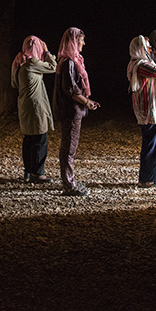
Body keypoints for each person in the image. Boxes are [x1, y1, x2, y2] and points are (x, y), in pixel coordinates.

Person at [53, 27, 99, 197]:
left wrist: (88, 102)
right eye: (81, 40)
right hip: (71, 111)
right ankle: (68, 184)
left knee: (68, 146)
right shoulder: (69, 63)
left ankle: (69, 181)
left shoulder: (68, 61)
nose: (83, 44)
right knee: (69, 148)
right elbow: (71, 89)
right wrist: (87, 102)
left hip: (72, 110)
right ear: (74, 41)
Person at [127, 35, 156, 188]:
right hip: (152, 110)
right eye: (147, 47)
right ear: (140, 48)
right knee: (154, 144)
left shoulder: (140, 64)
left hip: (155, 110)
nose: (149, 49)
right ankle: (149, 178)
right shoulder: (140, 65)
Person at [11, 35, 56, 184]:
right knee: (40, 138)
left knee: (29, 139)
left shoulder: (18, 63)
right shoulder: (32, 63)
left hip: (24, 105)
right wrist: (48, 52)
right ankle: (37, 173)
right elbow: (53, 67)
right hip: (35, 106)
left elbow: (14, 84)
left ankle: (28, 172)